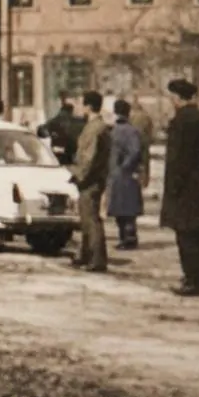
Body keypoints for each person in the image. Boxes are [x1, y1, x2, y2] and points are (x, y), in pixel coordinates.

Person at [160, 78, 199, 297]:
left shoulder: (179, 122)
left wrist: (174, 187)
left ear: (177, 98)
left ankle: (192, 282)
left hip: (182, 189)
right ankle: (196, 278)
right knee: (196, 235)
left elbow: (176, 160)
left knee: (185, 237)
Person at [69, 91, 112, 272]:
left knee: (91, 219)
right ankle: (86, 254)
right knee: (86, 217)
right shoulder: (96, 126)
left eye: (81, 104)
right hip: (92, 178)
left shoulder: (95, 128)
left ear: (88, 106)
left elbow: (89, 157)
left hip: (90, 180)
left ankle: (96, 259)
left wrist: (80, 176)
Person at [106, 99, 144, 250]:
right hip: (124, 174)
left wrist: (123, 165)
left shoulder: (117, 130)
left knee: (124, 209)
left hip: (121, 174)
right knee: (125, 209)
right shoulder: (130, 130)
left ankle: (128, 238)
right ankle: (127, 237)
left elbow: (135, 151)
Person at [42, 100, 81, 165]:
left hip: (56, 150)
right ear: (71, 111)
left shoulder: (54, 120)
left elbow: (42, 132)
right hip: (69, 152)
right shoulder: (74, 121)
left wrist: (51, 134)